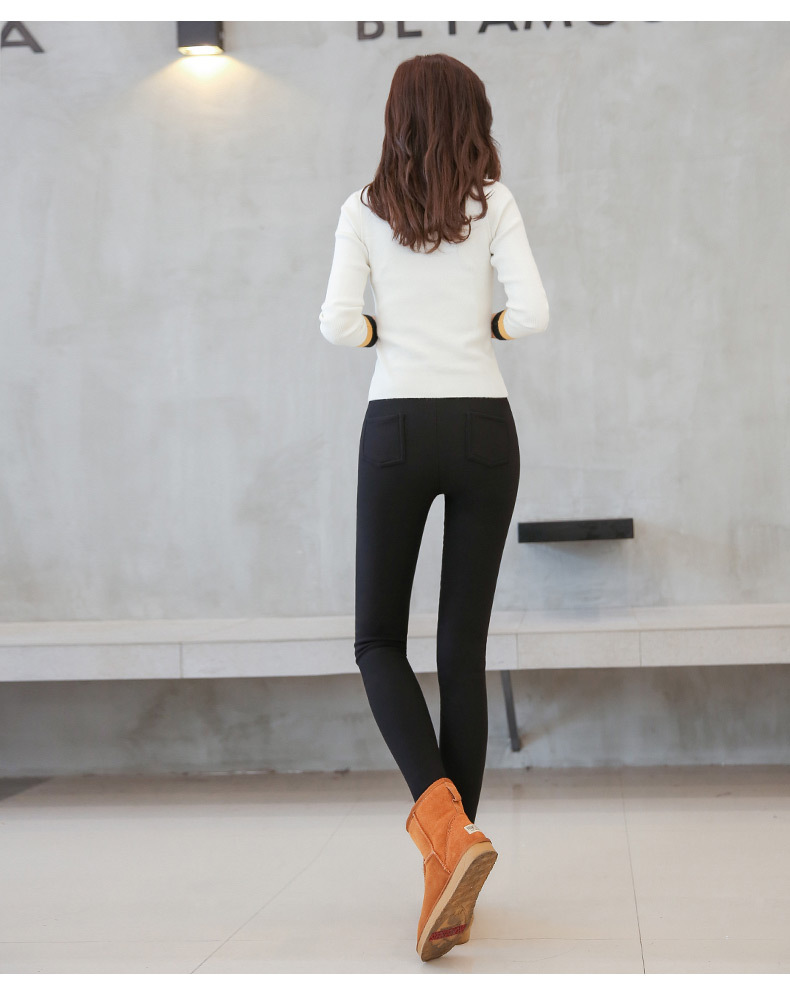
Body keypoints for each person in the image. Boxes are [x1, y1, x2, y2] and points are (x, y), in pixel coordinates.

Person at [318, 53, 550, 961]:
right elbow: (532, 313)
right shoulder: (494, 204)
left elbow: (338, 322)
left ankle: (445, 839)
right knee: (462, 652)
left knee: (379, 641)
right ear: (470, 118)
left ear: (397, 120)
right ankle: (454, 860)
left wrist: (388, 333)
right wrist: (485, 328)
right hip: (486, 426)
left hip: (399, 428)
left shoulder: (362, 208)